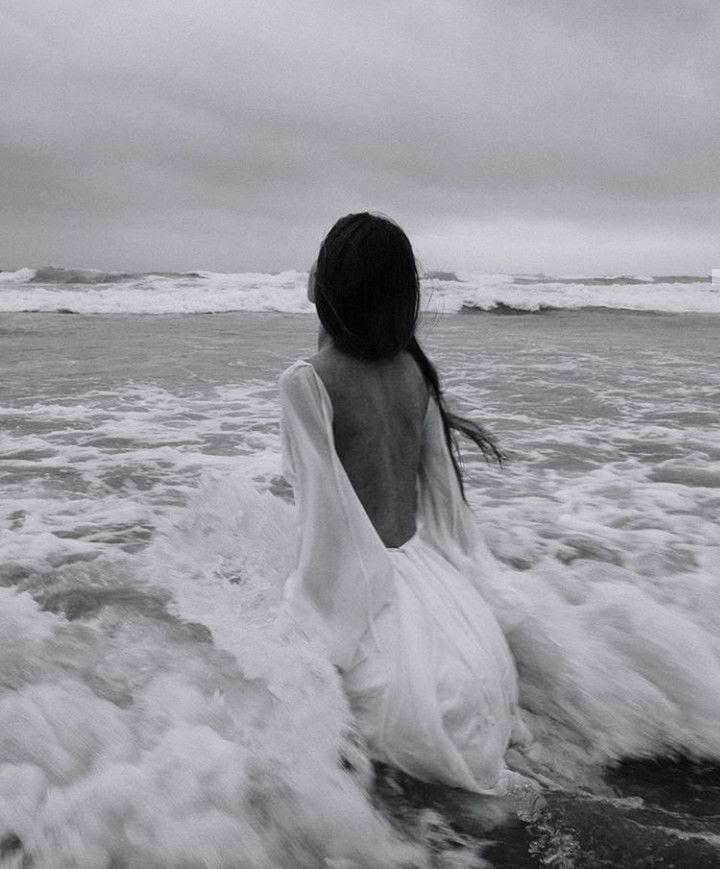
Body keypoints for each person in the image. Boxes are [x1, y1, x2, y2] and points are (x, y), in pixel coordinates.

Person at [279, 213, 526, 794]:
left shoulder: (306, 382)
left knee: (307, 688)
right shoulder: (414, 369)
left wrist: (315, 635)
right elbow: (434, 488)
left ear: (326, 289)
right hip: (441, 594)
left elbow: (325, 520)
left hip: (378, 593)